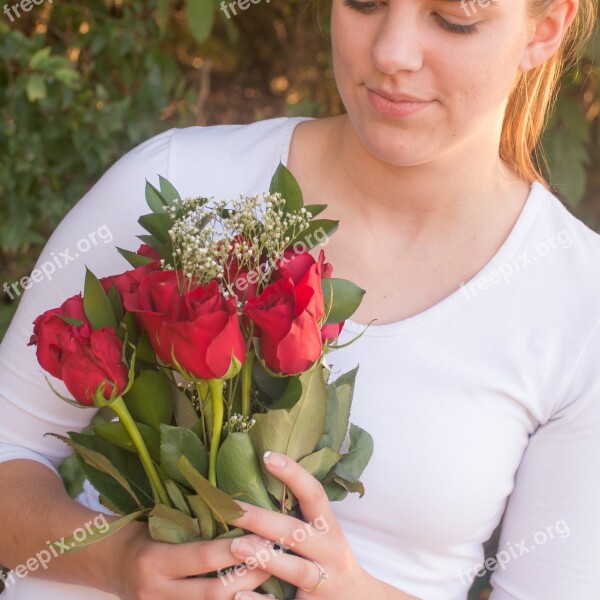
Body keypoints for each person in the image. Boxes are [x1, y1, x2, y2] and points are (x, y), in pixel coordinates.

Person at [0, 0, 598, 598]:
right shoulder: (179, 182)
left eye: (452, 19)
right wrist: (117, 562)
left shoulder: (576, 300)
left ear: (543, 30)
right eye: (365, 2)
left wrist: (345, 590)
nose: (391, 52)